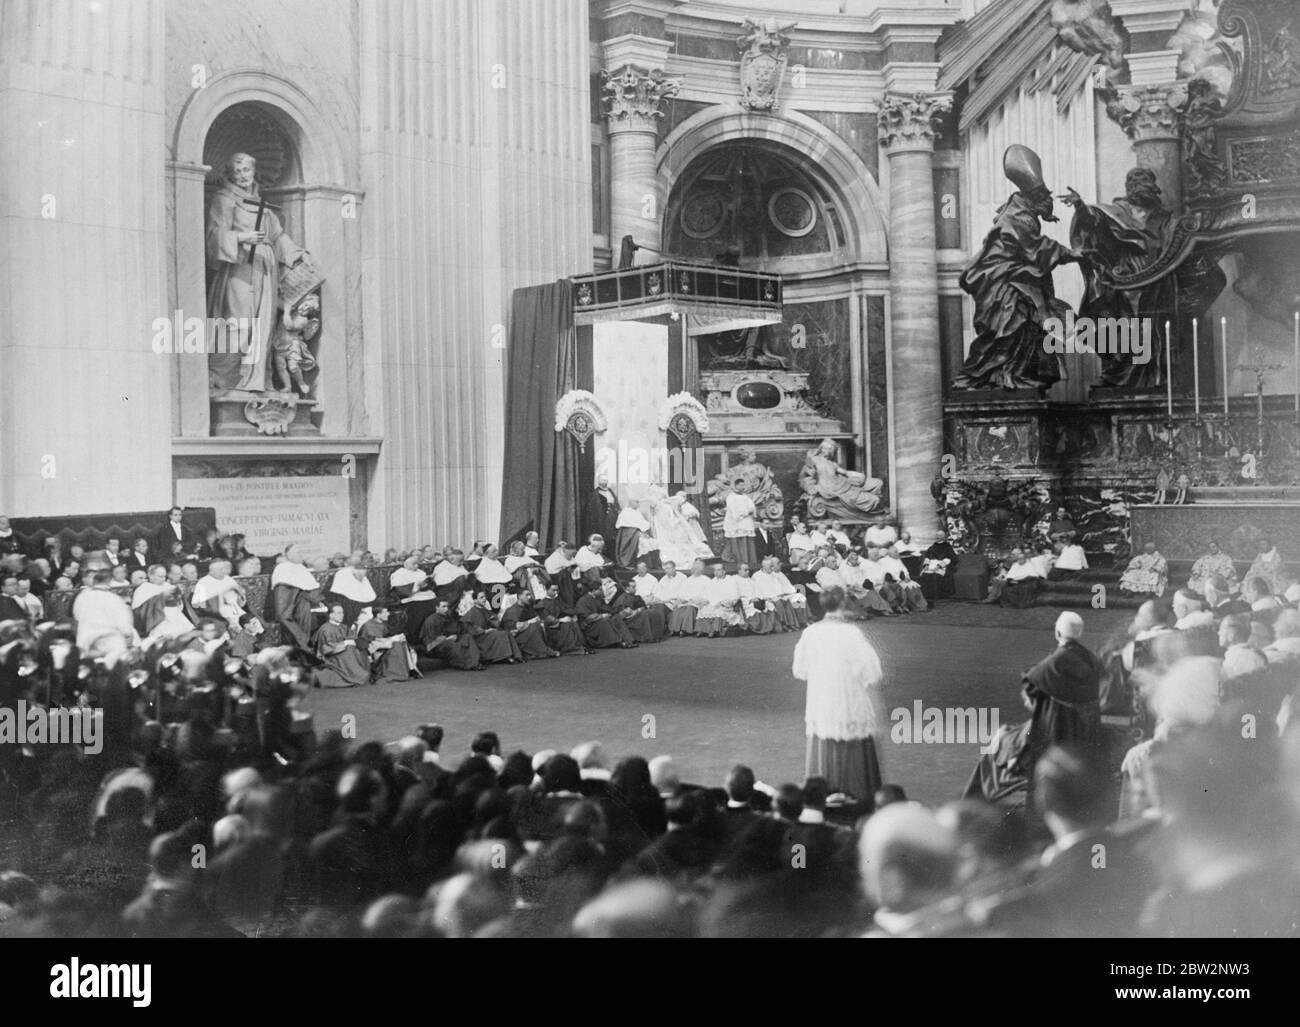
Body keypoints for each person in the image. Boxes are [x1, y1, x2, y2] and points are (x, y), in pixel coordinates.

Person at [792, 587, 887, 802]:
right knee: (852, 733)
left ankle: (822, 795)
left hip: (822, 698)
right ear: (843, 604)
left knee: (826, 734)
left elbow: (800, 670)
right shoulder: (850, 632)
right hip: (848, 696)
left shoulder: (811, 632)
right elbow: (871, 671)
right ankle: (858, 795)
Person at [1017, 612, 1103, 791]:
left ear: (1057, 633)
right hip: (1087, 727)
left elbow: (1030, 684)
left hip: (1058, 726)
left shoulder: (1053, 663)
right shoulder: (1092, 659)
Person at [71, 570, 137, 661]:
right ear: (109, 582)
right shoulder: (114, 599)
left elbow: (76, 617)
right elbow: (124, 624)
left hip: (86, 641)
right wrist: (127, 633)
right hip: (109, 643)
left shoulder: (81, 597)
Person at [270, 545, 323, 651]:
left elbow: (311, 589)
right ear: (288, 555)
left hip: (301, 602)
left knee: (306, 610)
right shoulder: (282, 568)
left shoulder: (301, 568)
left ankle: (306, 646)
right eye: (297, 552)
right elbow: (283, 596)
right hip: (287, 606)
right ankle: (303, 644)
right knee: (289, 616)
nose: (301, 555)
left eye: (300, 552)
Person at [131, 565, 196, 643]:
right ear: (150, 575)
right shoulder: (142, 589)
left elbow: (179, 607)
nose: (163, 579)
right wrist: (161, 598)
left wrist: (178, 597)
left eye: (164, 576)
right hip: (157, 620)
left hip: (176, 617)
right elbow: (140, 612)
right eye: (160, 576)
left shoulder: (168, 586)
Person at [356, 606, 421, 682]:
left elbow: (387, 635)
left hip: (385, 646)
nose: (388, 614)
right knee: (396, 645)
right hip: (375, 652)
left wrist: (396, 638)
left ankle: (410, 669)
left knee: (401, 643)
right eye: (385, 612)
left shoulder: (383, 624)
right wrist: (391, 640)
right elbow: (371, 642)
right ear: (378, 615)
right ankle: (398, 673)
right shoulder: (368, 625)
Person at [314, 604, 372, 688]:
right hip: (333, 656)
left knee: (359, 650)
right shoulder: (325, 629)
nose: (342, 615)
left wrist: (353, 640)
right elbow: (327, 648)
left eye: (342, 613)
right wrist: (345, 643)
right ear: (331, 615)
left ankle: (360, 674)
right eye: (339, 613)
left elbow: (353, 638)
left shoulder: (344, 627)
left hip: (346, 652)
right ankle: (357, 676)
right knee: (348, 650)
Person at [460, 591, 524, 664]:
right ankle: (505, 657)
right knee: (501, 634)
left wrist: (494, 625)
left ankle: (517, 656)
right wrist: (485, 631)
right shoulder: (471, 612)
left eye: (484, 597)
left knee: (506, 633)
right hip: (480, 637)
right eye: (481, 598)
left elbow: (494, 623)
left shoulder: (486, 611)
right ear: (475, 600)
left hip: (488, 634)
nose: (484, 599)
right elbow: (469, 627)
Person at [419, 598, 482, 670]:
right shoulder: (431, 620)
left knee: (467, 637)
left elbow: (457, 629)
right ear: (437, 607)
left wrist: (456, 636)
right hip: (436, 647)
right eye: (443, 606)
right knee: (451, 644)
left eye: (447, 607)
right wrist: (447, 639)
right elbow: (430, 642)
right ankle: (467, 665)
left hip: (450, 640)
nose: (446, 609)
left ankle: (476, 662)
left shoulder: (448, 617)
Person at [574, 580, 636, 650]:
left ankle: (629, 640)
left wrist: (619, 611)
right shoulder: (582, 601)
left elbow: (608, 609)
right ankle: (619, 642)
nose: (602, 591)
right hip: (590, 626)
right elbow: (587, 618)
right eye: (600, 590)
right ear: (594, 590)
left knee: (616, 618)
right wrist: (602, 616)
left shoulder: (598, 599)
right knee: (605, 621)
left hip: (599, 621)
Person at [499, 591, 561, 659]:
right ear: (519, 596)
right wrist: (530, 621)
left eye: (530, 595)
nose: (529, 597)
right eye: (527, 595)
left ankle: (542, 650)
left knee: (541, 625)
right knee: (535, 626)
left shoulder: (528, 608)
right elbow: (513, 628)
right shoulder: (512, 610)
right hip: (517, 637)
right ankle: (543, 651)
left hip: (528, 632)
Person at [695, 563, 743, 638]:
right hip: (713, 604)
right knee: (703, 609)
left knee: (718, 610)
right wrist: (705, 601)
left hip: (725, 604)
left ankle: (714, 631)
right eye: (715, 570)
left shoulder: (731, 580)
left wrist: (722, 602)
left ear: (724, 571)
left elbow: (735, 595)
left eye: (718, 570)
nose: (716, 572)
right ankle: (702, 630)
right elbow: (707, 594)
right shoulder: (712, 581)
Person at [653, 561, 696, 637]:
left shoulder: (682, 577)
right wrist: (661, 600)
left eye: (670, 568)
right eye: (666, 569)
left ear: (674, 568)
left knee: (681, 608)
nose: (668, 570)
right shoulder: (663, 579)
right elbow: (658, 593)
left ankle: (676, 629)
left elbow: (684, 592)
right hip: (666, 602)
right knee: (658, 607)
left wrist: (678, 600)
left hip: (678, 601)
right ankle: (660, 631)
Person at [721, 489, 759, 569]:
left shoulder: (745, 497)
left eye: (742, 485)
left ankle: (750, 564)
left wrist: (748, 512)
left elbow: (752, 508)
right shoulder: (731, 497)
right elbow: (734, 511)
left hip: (746, 522)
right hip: (734, 523)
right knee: (735, 543)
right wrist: (744, 513)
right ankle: (739, 564)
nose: (741, 487)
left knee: (747, 542)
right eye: (739, 485)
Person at [585, 475, 620, 548]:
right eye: (603, 480)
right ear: (599, 482)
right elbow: (593, 509)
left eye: (606, 480)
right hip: (602, 520)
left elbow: (616, 504)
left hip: (613, 518)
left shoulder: (610, 491)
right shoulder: (595, 494)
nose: (605, 482)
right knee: (604, 537)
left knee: (613, 537)